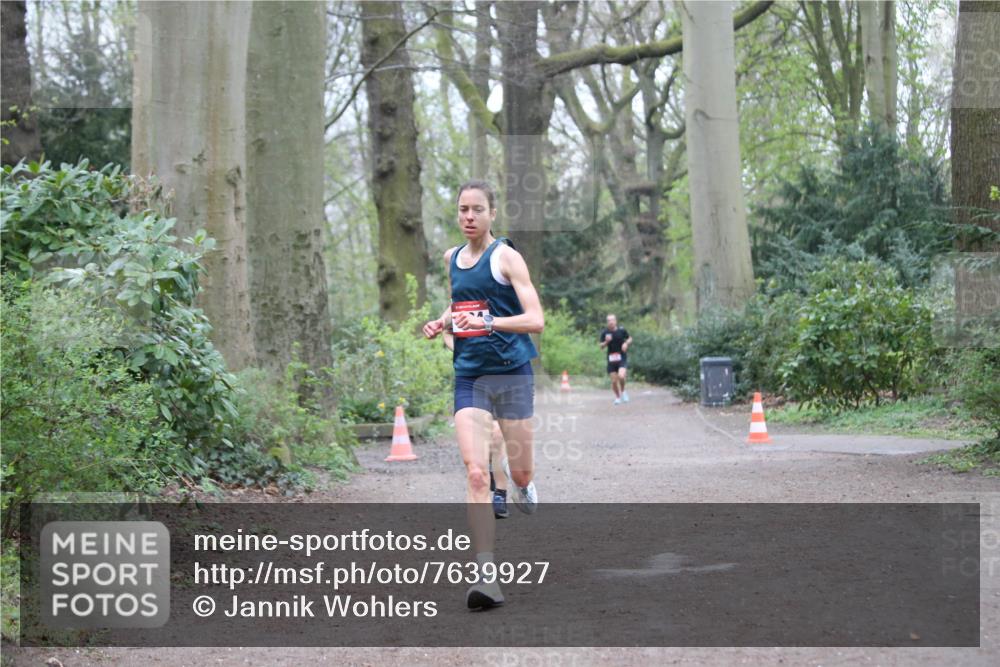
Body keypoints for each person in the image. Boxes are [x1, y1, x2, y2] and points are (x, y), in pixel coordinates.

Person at [423, 179, 544, 610]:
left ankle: (525, 487)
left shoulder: (507, 257)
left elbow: (535, 319)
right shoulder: (451, 258)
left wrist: (494, 322)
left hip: (512, 375)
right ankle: (486, 576)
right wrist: (443, 323)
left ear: (492, 214)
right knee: (476, 473)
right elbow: (461, 303)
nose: (469, 217)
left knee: (521, 474)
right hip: (469, 376)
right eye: (462, 210)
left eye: (477, 209)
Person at [442, 329, 510, 520]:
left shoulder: (505, 305)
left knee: (498, 434)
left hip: (505, 377)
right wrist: (463, 352)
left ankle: (500, 496)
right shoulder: (466, 305)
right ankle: (488, 473)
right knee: (482, 440)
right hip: (472, 382)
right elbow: (446, 331)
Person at [599, 313, 632, 404]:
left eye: (612, 320)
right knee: (614, 381)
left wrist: (626, 344)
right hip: (611, 360)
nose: (611, 322)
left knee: (621, 376)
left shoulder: (622, 330)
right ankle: (617, 397)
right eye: (609, 320)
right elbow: (601, 346)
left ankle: (623, 391)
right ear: (607, 322)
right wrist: (606, 341)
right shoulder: (605, 333)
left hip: (621, 357)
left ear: (616, 321)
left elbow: (629, 338)